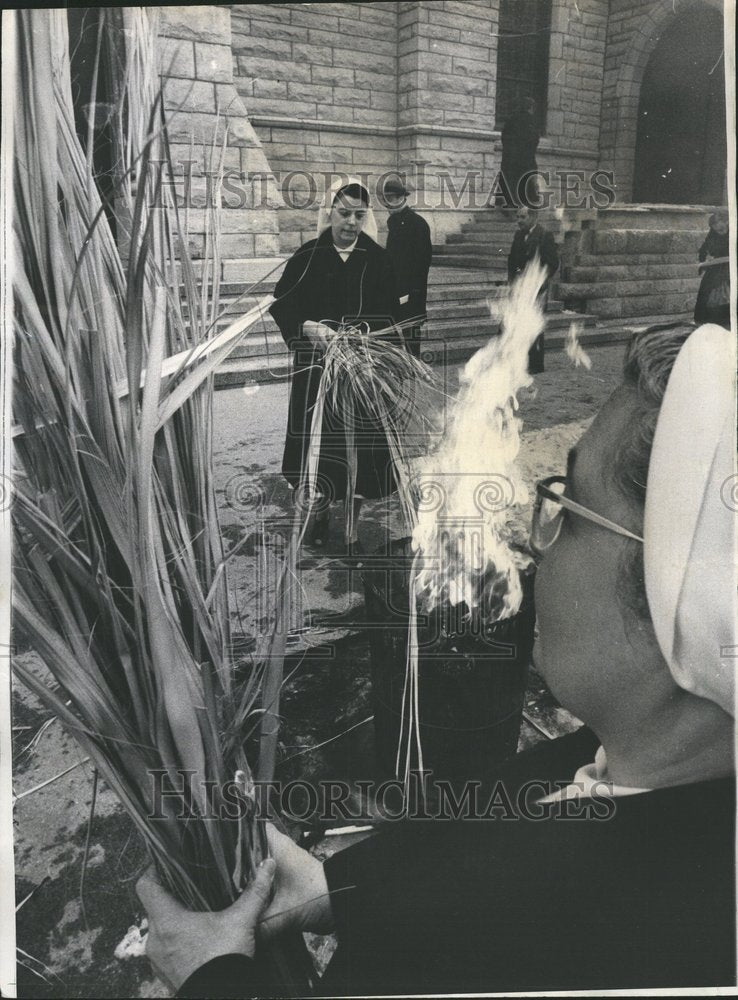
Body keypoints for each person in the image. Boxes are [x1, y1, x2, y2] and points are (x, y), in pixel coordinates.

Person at [138, 323, 736, 996]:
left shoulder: (525, 946)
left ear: (678, 603)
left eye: (569, 508)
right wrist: (336, 886)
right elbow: (494, 831)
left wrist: (211, 979)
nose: (536, 548)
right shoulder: (645, 771)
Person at [268, 177, 402, 553]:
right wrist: (306, 326)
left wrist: (369, 344)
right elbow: (283, 303)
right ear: (330, 212)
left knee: (359, 448)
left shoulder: (378, 260)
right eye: (344, 213)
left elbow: (391, 316)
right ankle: (322, 511)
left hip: (362, 374)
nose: (351, 223)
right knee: (319, 445)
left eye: (360, 215)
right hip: (316, 372)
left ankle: (353, 529)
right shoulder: (309, 255)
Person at [382, 174, 433, 359]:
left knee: (411, 338)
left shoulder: (417, 224)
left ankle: (413, 371)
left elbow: (422, 264)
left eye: (392, 198)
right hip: (393, 292)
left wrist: (411, 293)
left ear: (402, 197)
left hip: (411, 294)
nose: (388, 203)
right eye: (386, 198)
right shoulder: (394, 221)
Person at [507, 206, 560, 373]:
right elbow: (512, 260)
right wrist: (513, 282)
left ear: (533, 217)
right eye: (517, 217)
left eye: (522, 217)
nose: (519, 221)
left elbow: (552, 263)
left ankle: (535, 365)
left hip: (537, 289)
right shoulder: (518, 235)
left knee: (534, 325)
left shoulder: (544, 236)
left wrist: (539, 281)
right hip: (520, 287)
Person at [499, 96, 540, 208]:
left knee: (509, 180)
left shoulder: (511, 119)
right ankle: (525, 203)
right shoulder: (530, 121)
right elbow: (534, 139)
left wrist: (509, 151)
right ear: (530, 108)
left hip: (510, 157)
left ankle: (506, 203)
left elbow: (504, 137)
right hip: (525, 158)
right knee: (526, 180)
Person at [694, 209, 730, 328]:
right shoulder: (713, 235)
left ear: (727, 222)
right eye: (715, 229)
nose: (719, 231)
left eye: (721, 229)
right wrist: (702, 261)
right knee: (707, 293)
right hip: (716, 268)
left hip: (730, 268)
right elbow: (704, 250)